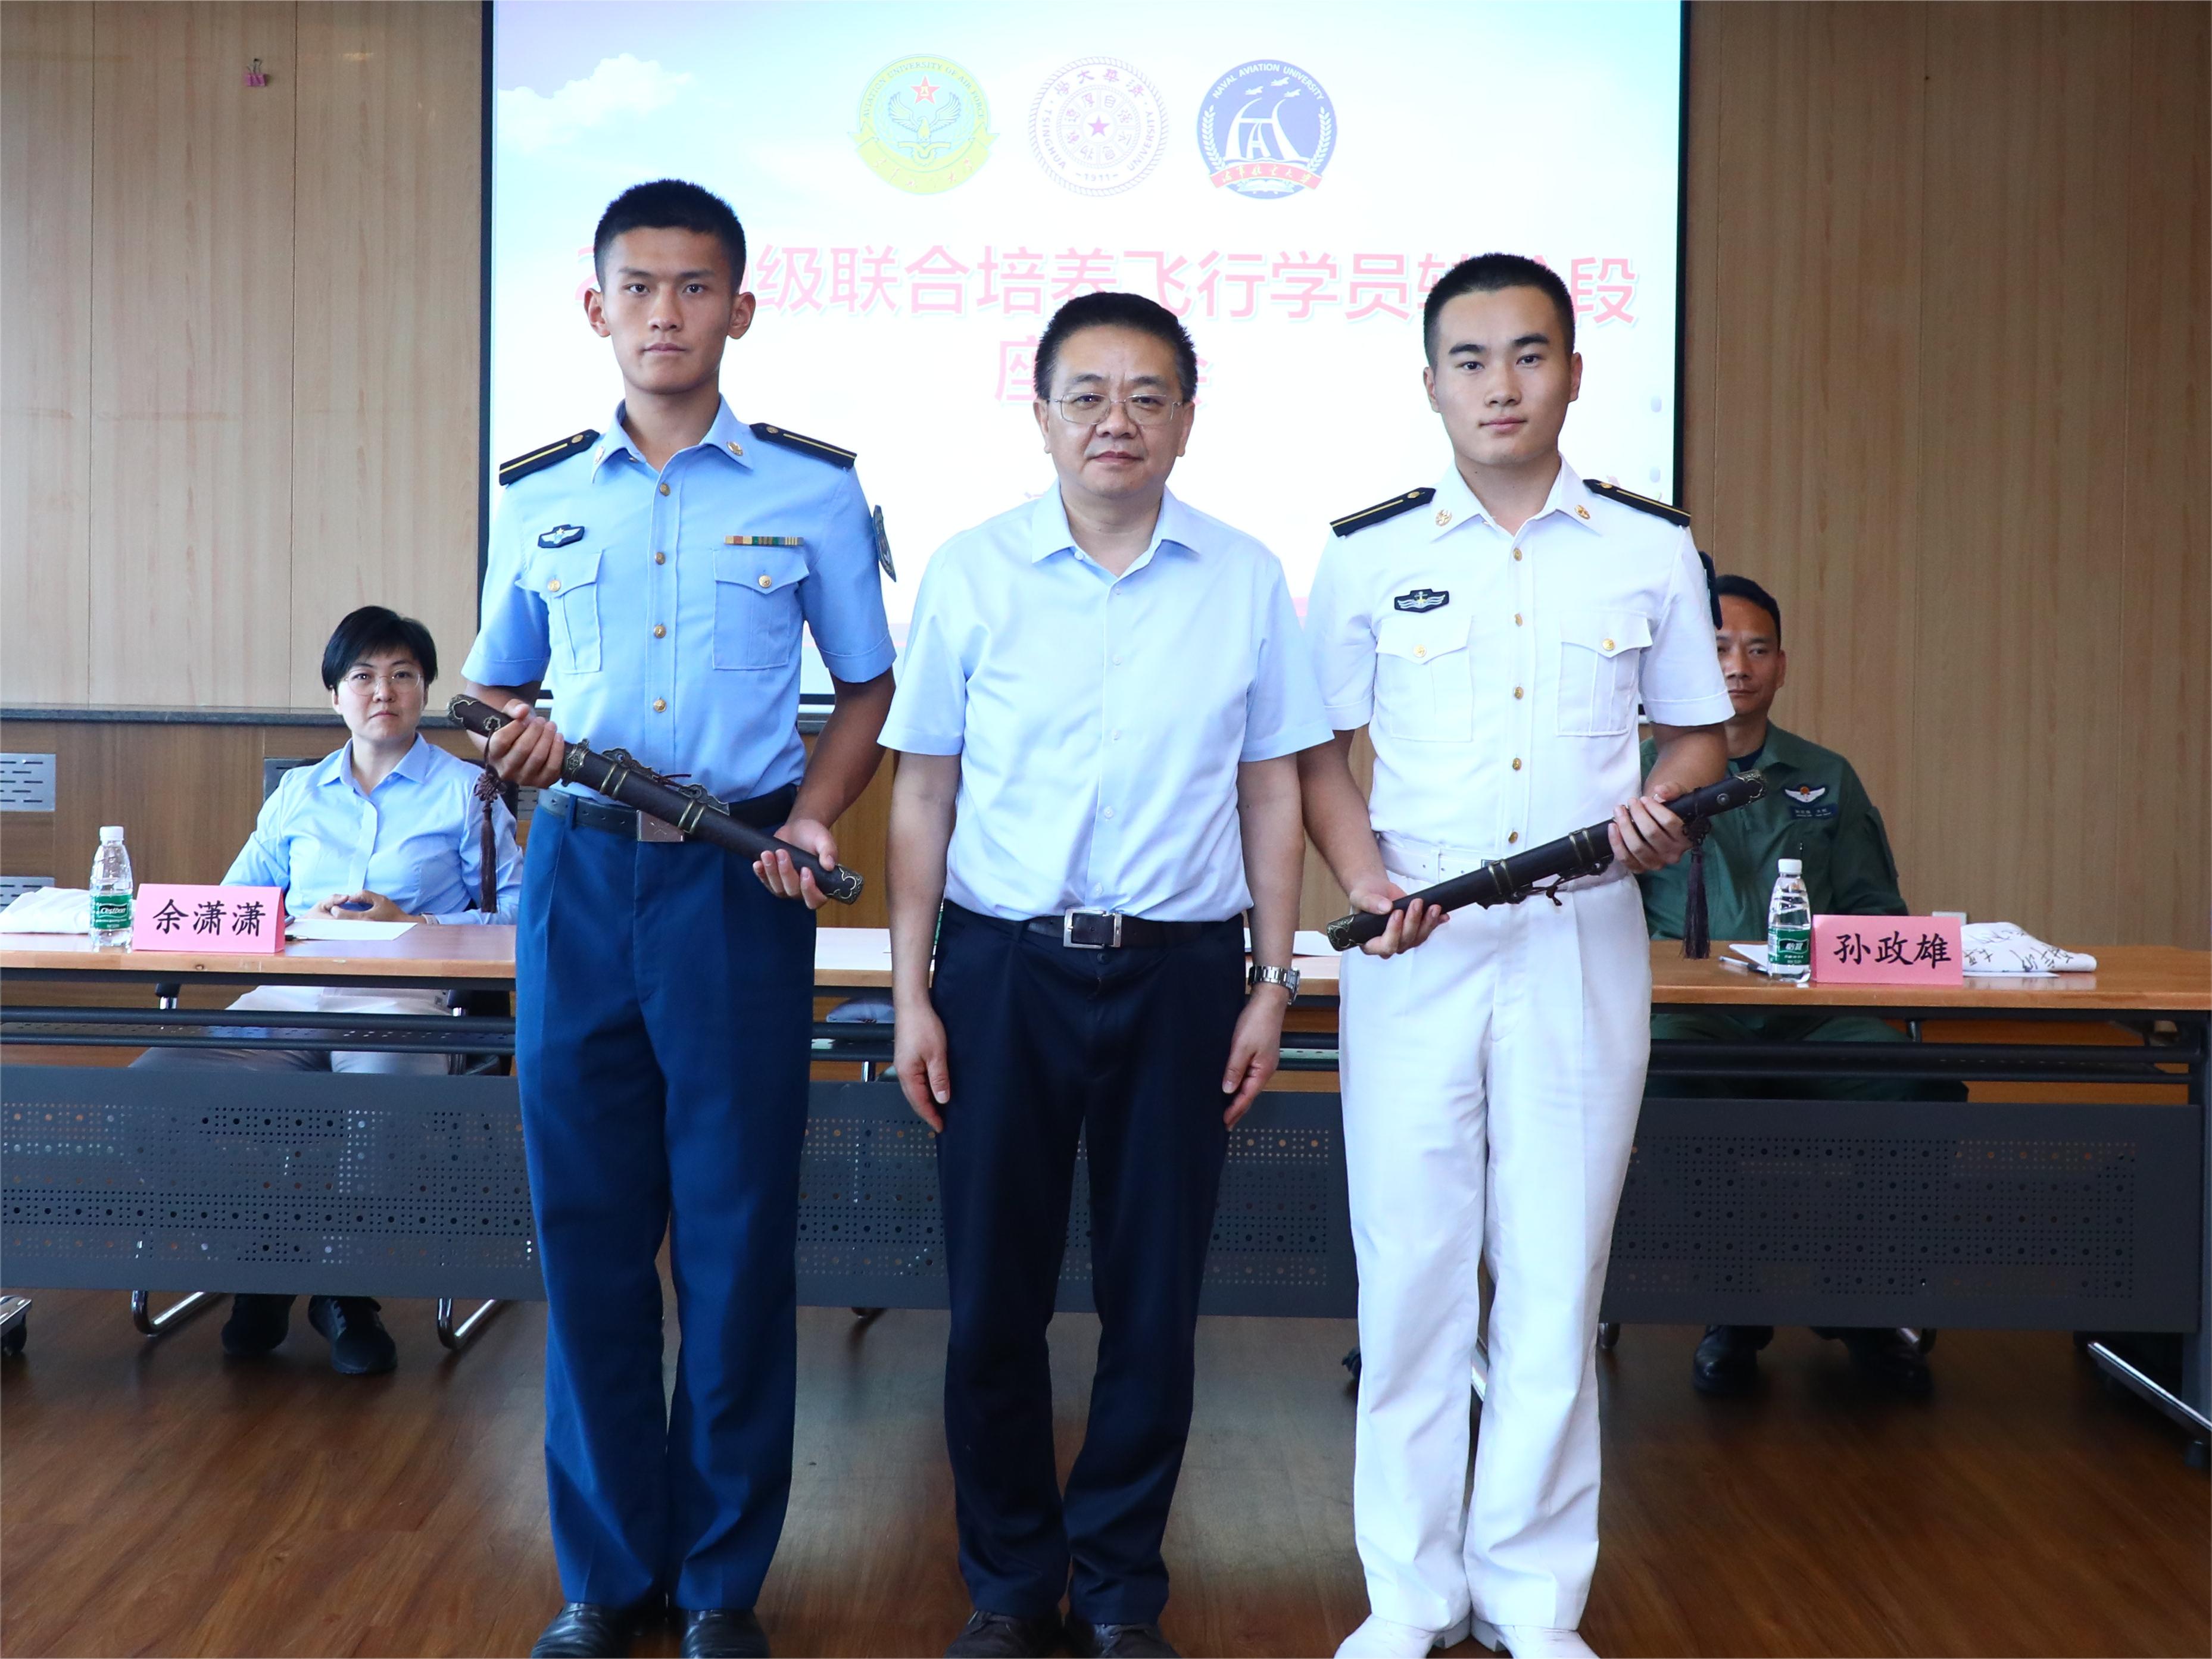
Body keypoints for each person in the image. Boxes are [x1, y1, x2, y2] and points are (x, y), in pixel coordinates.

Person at [461, 179, 896, 1659]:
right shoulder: (540, 494)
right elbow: (493, 686)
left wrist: (816, 811)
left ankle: (718, 1580)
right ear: (597, 308)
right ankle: (603, 1574)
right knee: (587, 1233)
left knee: (733, 1236)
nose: (666, 312)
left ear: (740, 308)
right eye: (639, 288)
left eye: (695, 287)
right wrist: (511, 738)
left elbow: (870, 684)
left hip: (737, 884)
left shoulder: (811, 492)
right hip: (579, 885)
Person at [881, 291, 1330, 1659]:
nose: (1114, 421)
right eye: (1085, 394)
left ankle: (1124, 1586)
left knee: (1153, 1301)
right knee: (992, 1301)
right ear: (1040, 414)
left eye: (1146, 396)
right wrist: (912, 992)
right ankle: (1012, 1583)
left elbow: (1271, 792)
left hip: (1181, 975)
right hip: (1001, 971)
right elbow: (923, 794)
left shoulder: (1244, 578)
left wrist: (1270, 981)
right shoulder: (972, 571)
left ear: (1187, 419)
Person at [1300, 254, 1731, 1659]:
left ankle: (1534, 1601)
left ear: (1575, 373)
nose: (1501, 384)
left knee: (1555, 1274)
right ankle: (1409, 1597)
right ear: (1430, 382)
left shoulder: (1647, 548)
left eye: (1529, 354)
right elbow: (1316, 754)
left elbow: (1696, 737)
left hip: (1579, 938)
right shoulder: (1369, 554)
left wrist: (1661, 809)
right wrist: (1366, 880)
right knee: (1411, 1274)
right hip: (1414, 942)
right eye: (1471, 359)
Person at [135, 603, 522, 1376]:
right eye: (364, 676)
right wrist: (292, 917)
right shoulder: (298, 794)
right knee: (148, 1099)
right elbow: (230, 909)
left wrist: (414, 919)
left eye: (403, 675)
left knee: (382, 1104)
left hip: (404, 1005)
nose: (384, 691)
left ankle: (345, 1290)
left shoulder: (470, 792)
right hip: (286, 1001)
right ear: (334, 694)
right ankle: (268, 1254)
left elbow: (519, 917)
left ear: (425, 690)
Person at [1639, 573, 1945, 1398]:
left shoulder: (1824, 775)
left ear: (1782, 666)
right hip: (1689, 1019)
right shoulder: (1634, 779)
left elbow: (1878, 917)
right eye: (1717, 648)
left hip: (1814, 1016)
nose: (1738, 666)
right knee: (1671, 1087)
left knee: (1911, 1088)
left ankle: (1866, 1306)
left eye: (1758, 649)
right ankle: (1733, 1308)